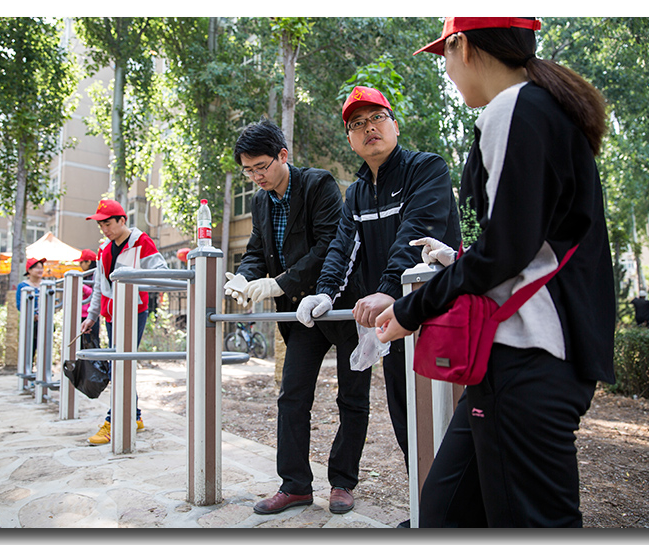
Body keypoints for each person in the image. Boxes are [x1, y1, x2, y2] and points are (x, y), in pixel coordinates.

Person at [375, 18, 616, 527]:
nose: (446, 70)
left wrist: (411, 310)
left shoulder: (514, 108)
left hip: (527, 358)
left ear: (461, 45)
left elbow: (504, 250)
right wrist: (459, 259)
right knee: (443, 513)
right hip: (522, 360)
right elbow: (528, 240)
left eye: (444, 55)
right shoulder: (544, 108)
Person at [296, 85, 461, 527]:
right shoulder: (356, 195)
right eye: (357, 124)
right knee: (409, 421)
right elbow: (342, 248)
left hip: (440, 317)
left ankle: (456, 520)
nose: (369, 128)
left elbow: (417, 229)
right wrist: (325, 293)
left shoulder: (426, 169)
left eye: (377, 118)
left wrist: (389, 288)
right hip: (396, 325)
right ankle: (428, 515)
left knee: (447, 419)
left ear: (395, 125)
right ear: (350, 140)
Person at [223, 119, 370, 516]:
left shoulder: (318, 184)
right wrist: (245, 276)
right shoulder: (260, 201)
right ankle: (295, 485)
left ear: (283, 155)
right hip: (301, 314)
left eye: (262, 167)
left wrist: (279, 283)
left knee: (352, 397)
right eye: (248, 171)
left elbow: (329, 245)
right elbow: (256, 250)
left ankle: (342, 482)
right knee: (292, 396)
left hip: (341, 304)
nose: (256, 177)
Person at [81, 199, 169, 445]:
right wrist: (92, 316)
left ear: (122, 220)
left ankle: (116, 420)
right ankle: (135, 416)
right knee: (120, 364)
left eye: (108, 224)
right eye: (101, 226)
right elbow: (99, 286)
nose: (104, 230)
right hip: (111, 314)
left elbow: (162, 272)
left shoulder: (141, 242)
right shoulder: (104, 249)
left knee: (119, 364)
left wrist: (135, 282)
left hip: (133, 311)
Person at [16, 257, 47, 367]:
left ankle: (43, 369)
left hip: (44, 322)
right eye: (37, 268)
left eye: (41, 268)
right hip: (29, 323)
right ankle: (28, 368)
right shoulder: (23, 286)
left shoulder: (46, 285)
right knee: (29, 346)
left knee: (44, 347)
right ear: (29, 270)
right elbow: (20, 304)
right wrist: (33, 315)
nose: (40, 270)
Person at [75, 249, 100, 347]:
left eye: (81, 262)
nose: (80, 265)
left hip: (91, 314)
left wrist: (82, 286)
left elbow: (94, 293)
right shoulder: (84, 276)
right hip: (81, 313)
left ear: (88, 262)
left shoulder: (96, 275)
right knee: (81, 344)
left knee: (92, 342)